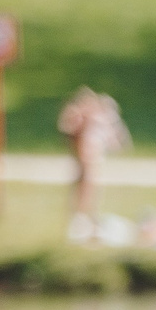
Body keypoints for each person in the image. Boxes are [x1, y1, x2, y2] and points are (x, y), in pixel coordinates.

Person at [57, 86, 127, 222]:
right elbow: (67, 129)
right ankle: (81, 215)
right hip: (85, 157)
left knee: (91, 184)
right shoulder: (79, 117)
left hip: (91, 157)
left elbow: (115, 138)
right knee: (84, 183)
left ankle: (86, 215)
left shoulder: (99, 118)